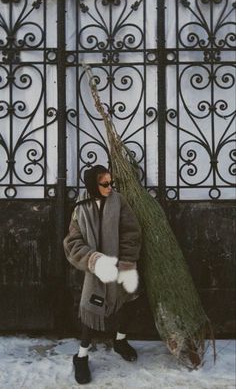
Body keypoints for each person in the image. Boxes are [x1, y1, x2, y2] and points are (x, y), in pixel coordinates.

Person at [63, 164, 142, 384]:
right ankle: (81, 356)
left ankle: (120, 341)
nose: (110, 187)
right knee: (92, 309)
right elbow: (72, 242)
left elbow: (131, 231)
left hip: (123, 263)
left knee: (128, 302)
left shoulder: (119, 201)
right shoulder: (80, 207)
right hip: (96, 269)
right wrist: (94, 260)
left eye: (111, 182)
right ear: (93, 185)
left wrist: (125, 259)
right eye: (105, 183)